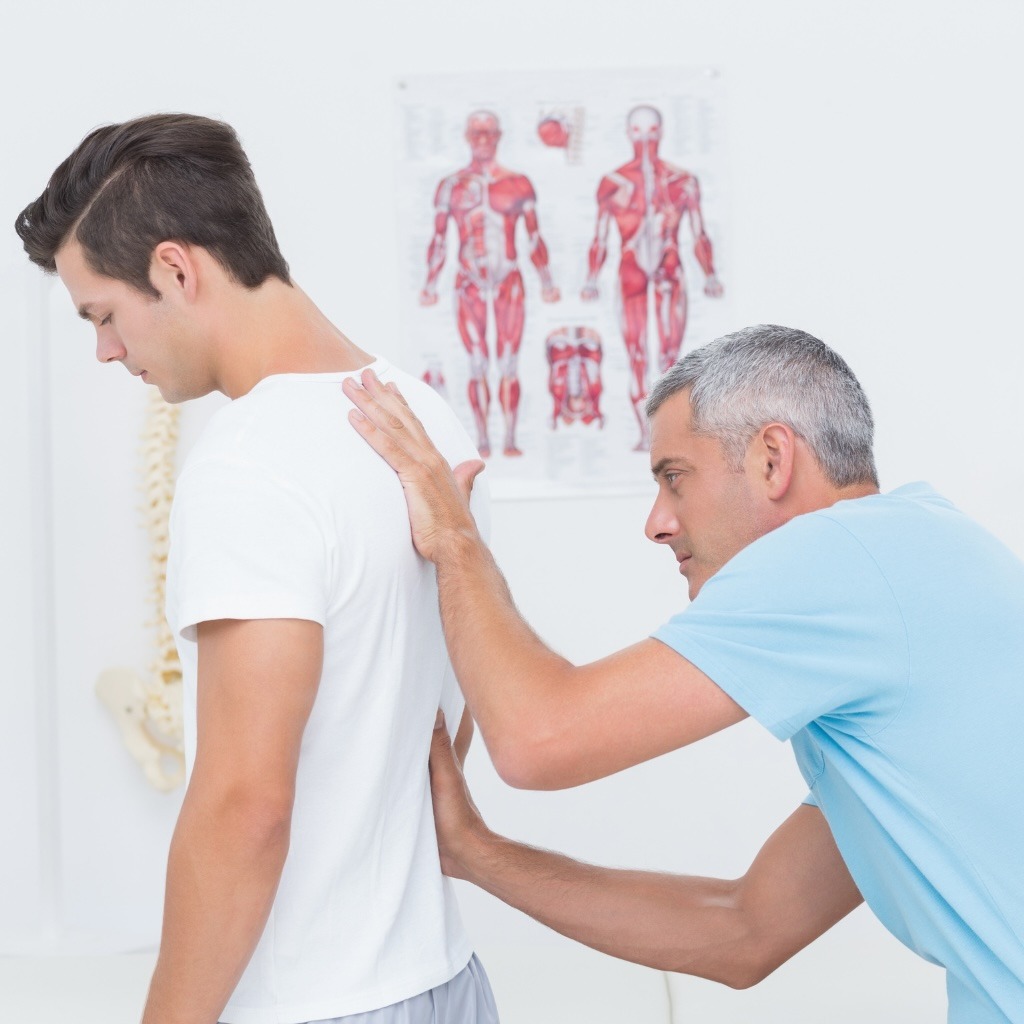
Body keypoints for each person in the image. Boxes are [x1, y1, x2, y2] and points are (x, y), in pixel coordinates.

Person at [342, 324, 1024, 1023]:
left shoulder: (840, 555)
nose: (657, 523)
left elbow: (536, 738)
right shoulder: (916, 560)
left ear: (771, 460)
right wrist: (476, 852)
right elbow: (744, 930)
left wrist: (456, 541)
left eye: (674, 478)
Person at [16, 113, 498, 1024]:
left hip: (314, 1003)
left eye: (104, 316)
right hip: (445, 978)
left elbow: (245, 807)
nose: (106, 352)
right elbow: (443, 721)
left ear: (176, 268)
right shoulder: (426, 420)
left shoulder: (250, 464)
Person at [581, 105, 723, 450]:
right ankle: (644, 435)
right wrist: (591, 278)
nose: (645, 139)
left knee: (671, 358)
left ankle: (670, 437)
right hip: (630, 270)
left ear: (661, 133)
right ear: (629, 134)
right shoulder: (613, 183)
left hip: (669, 268)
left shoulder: (682, 181)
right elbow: (600, 236)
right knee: (636, 353)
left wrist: (710, 274)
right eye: (638, 131)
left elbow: (698, 232)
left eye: (652, 131)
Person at [420, 109, 561, 458]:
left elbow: (534, 236)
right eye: (476, 133)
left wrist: (546, 281)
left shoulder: (518, 183)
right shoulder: (451, 186)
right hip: (468, 281)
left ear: (498, 136)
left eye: (489, 133)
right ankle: (482, 440)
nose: (483, 140)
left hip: (508, 281)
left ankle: (510, 438)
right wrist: (430, 283)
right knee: (478, 362)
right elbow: (439, 239)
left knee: (509, 362)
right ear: (468, 137)